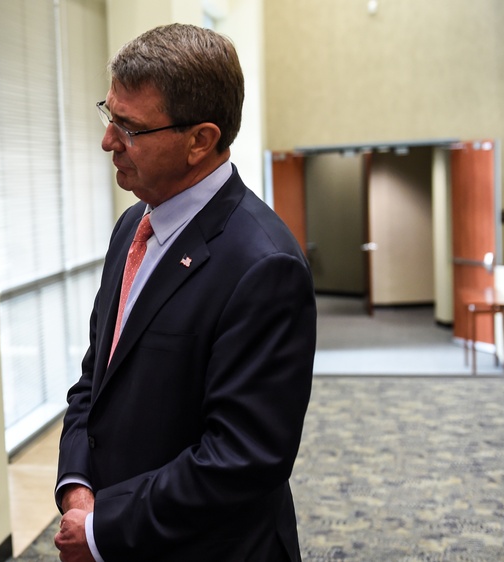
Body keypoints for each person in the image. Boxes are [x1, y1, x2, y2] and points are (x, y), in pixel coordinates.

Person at [54, 24, 316, 562]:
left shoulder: (265, 265)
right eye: (109, 115)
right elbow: (95, 381)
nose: (108, 141)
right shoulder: (131, 227)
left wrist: (105, 527)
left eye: (129, 127)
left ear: (200, 139)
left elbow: (242, 456)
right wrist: (78, 483)